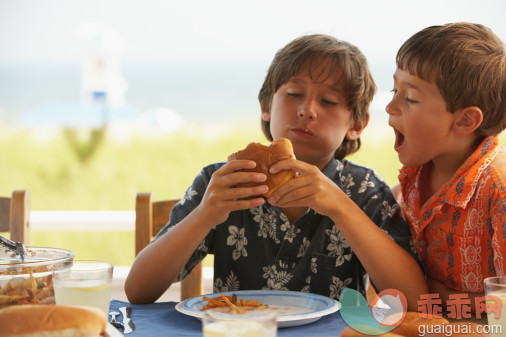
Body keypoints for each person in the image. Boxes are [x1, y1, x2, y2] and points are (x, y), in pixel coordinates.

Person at [125, 34, 427, 309]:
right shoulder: (224, 183)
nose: (307, 110)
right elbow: (138, 291)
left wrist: (340, 207)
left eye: (328, 101)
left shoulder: (364, 190)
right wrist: (205, 215)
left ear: (356, 125)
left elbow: (413, 301)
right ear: (266, 106)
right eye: (294, 94)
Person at [386, 22, 506, 311]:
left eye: (410, 98)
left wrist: (439, 298)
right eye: (394, 88)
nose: (390, 107)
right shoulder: (409, 184)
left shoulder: (499, 192)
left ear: (465, 121)